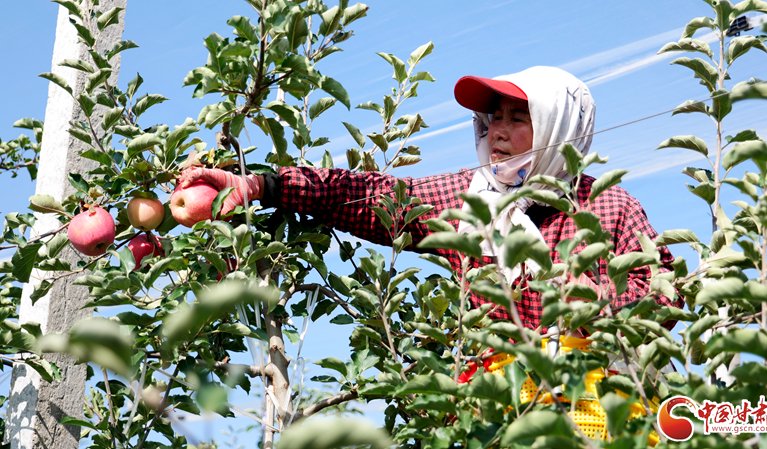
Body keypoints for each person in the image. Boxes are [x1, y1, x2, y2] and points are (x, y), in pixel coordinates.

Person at [178, 66, 681, 329]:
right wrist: (261, 184)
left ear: (559, 126)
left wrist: (588, 306)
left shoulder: (608, 206)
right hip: (490, 406)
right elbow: (368, 196)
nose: (498, 133)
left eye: (517, 118)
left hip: (595, 409)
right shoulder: (470, 199)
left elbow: (665, 291)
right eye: (492, 119)